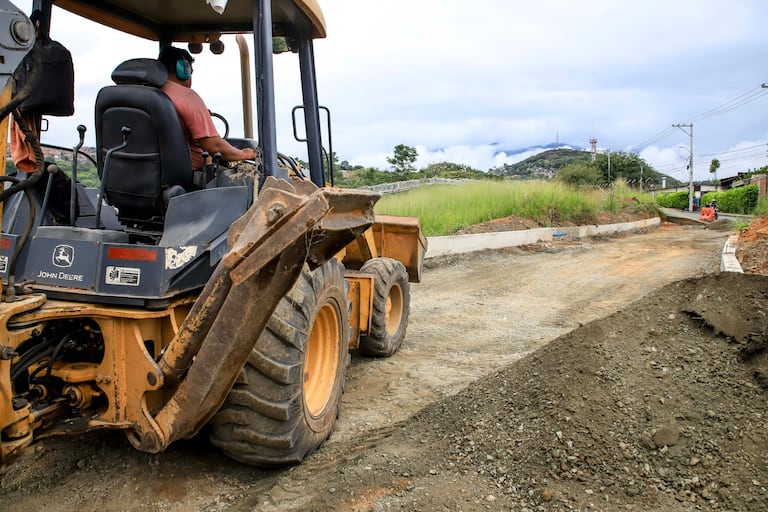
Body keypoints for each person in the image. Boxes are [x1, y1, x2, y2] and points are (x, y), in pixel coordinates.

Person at [157, 46, 256, 171]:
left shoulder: (146, 94)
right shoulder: (186, 97)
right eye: (190, 72)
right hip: (192, 176)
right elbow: (215, 147)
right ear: (182, 69)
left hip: (147, 172)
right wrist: (245, 154)